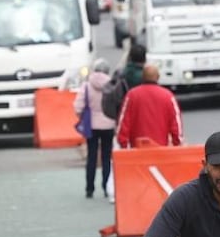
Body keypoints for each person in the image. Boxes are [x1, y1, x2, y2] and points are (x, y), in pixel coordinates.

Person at [73, 58, 116, 199]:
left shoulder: (86, 86)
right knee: (106, 157)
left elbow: (78, 106)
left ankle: (89, 188)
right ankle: (105, 186)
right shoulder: (111, 85)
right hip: (108, 124)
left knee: (91, 157)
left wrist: (83, 116)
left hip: (92, 125)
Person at [115, 64, 183, 149]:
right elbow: (176, 126)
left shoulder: (131, 95)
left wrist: (124, 146)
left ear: (142, 77)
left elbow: (123, 124)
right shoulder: (168, 96)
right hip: (161, 151)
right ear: (158, 77)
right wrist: (177, 144)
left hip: (137, 151)